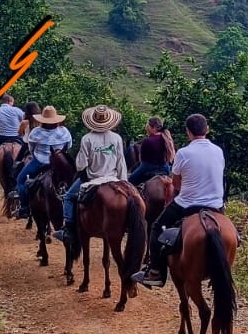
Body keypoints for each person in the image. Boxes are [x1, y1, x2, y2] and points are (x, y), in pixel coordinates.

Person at [132, 113, 225, 288]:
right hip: (216, 205)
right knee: (227, 228)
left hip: (188, 204)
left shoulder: (184, 152)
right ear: (207, 130)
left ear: (188, 132)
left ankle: (156, 272)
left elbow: (175, 183)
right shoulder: (218, 150)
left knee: (156, 227)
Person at [53, 105, 127, 243]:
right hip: (113, 178)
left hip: (93, 179)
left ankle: (68, 229)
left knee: (69, 196)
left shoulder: (87, 138)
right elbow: (121, 162)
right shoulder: (116, 138)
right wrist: (123, 182)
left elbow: (81, 165)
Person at [12, 105, 72, 220]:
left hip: (40, 162)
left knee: (20, 180)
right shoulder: (64, 131)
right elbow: (68, 146)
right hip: (59, 164)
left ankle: (24, 208)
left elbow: (31, 149)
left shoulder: (36, 132)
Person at [128, 117, 175, 186]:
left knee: (130, 181)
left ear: (151, 127)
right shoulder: (167, 139)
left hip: (148, 167)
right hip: (165, 168)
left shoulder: (147, 140)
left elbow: (142, 159)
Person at [0, 94, 25, 182]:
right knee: (26, 152)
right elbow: (23, 122)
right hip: (16, 137)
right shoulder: (17, 110)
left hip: (2, 137)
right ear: (9, 101)